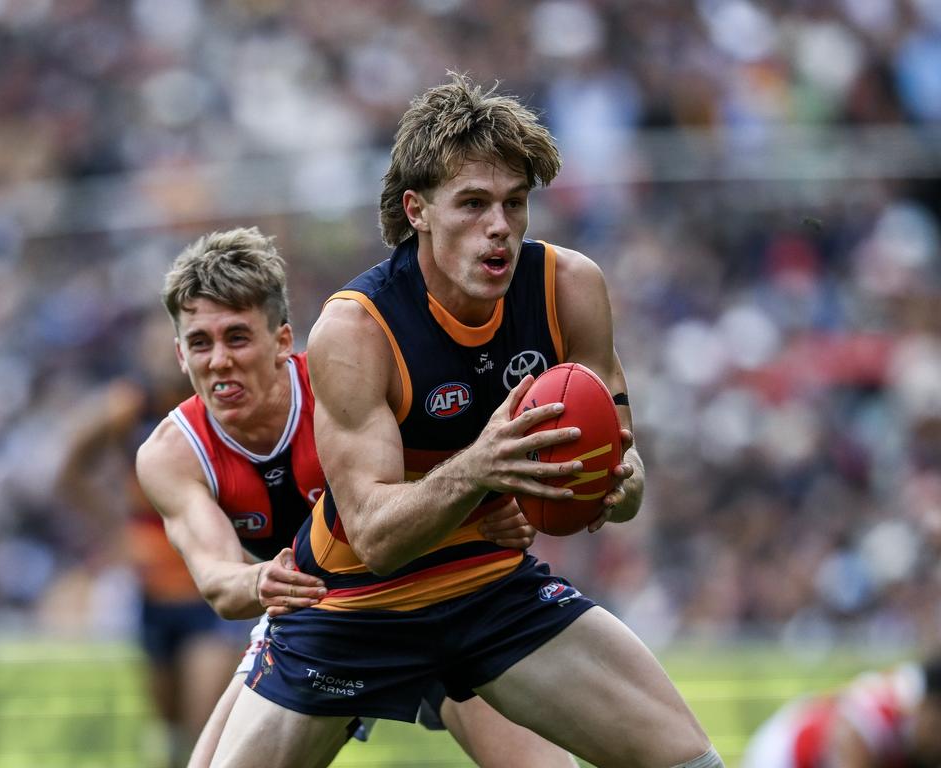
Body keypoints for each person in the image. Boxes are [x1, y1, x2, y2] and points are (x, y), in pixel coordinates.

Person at [210, 74, 722, 768]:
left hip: (487, 587)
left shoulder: (570, 288)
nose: (500, 227)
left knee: (692, 762)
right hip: (351, 604)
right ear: (417, 210)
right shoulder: (356, 328)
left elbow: (625, 491)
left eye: (515, 203)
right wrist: (481, 467)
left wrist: (612, 482)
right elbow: (378, 537)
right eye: (474, 204)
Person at [134, 226, 579, 767]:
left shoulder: (341, 384)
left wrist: (498, 510)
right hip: (317, 626)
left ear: (281, 341)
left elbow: (457, 459)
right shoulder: (171, 454)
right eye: (200, 343)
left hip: (433, 596)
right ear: (180, 354)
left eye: (237, 337)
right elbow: (218, 583)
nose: (219, 360)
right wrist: (259, 579)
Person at [56, 313, 245, 768]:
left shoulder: (227, 407)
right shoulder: (131, 406)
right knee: (170, 736)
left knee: (207, 728)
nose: (164, 358)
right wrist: (113, 528)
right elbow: (70, 469)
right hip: (152, 589)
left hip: (212, 590)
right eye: (154, 349)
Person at [741, 655, 941, 768]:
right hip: (783, 754)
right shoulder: (877, 717)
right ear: (928, 708)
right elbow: (847, 733)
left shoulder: (917, 691)